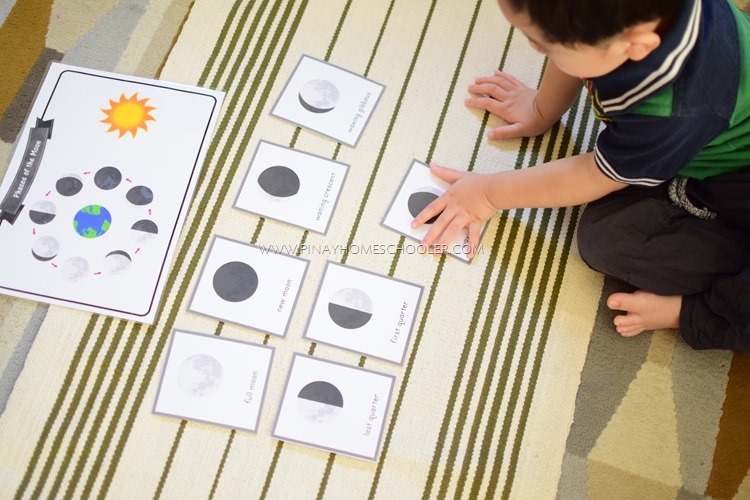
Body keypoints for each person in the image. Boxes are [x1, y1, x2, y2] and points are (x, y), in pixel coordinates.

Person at [411, 0, 750, 350]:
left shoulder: (675, 108)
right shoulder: (631, 24)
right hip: (702, 135)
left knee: (607, 237)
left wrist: (487, 194)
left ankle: (703, 307)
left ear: (636, 44)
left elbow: (593, 175)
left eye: (546, 44)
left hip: (734, 193)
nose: (533, 47)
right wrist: (542, 107)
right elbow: (574, 51)